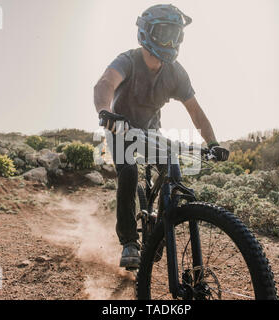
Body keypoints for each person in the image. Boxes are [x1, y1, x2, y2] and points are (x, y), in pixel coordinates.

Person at [93, 4, 229, 268]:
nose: (170, 41)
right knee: (129, 171)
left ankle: (159, 233)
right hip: (119, 129)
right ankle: (130, 242)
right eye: (164, 33)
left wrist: (213, 144)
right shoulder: (128, 60)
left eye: (176, 35)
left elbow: (196, 113)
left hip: (151, 132)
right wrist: (104, 112)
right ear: (147, 33)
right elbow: (105, 83)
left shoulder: (175, 72)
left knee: (172, 170)